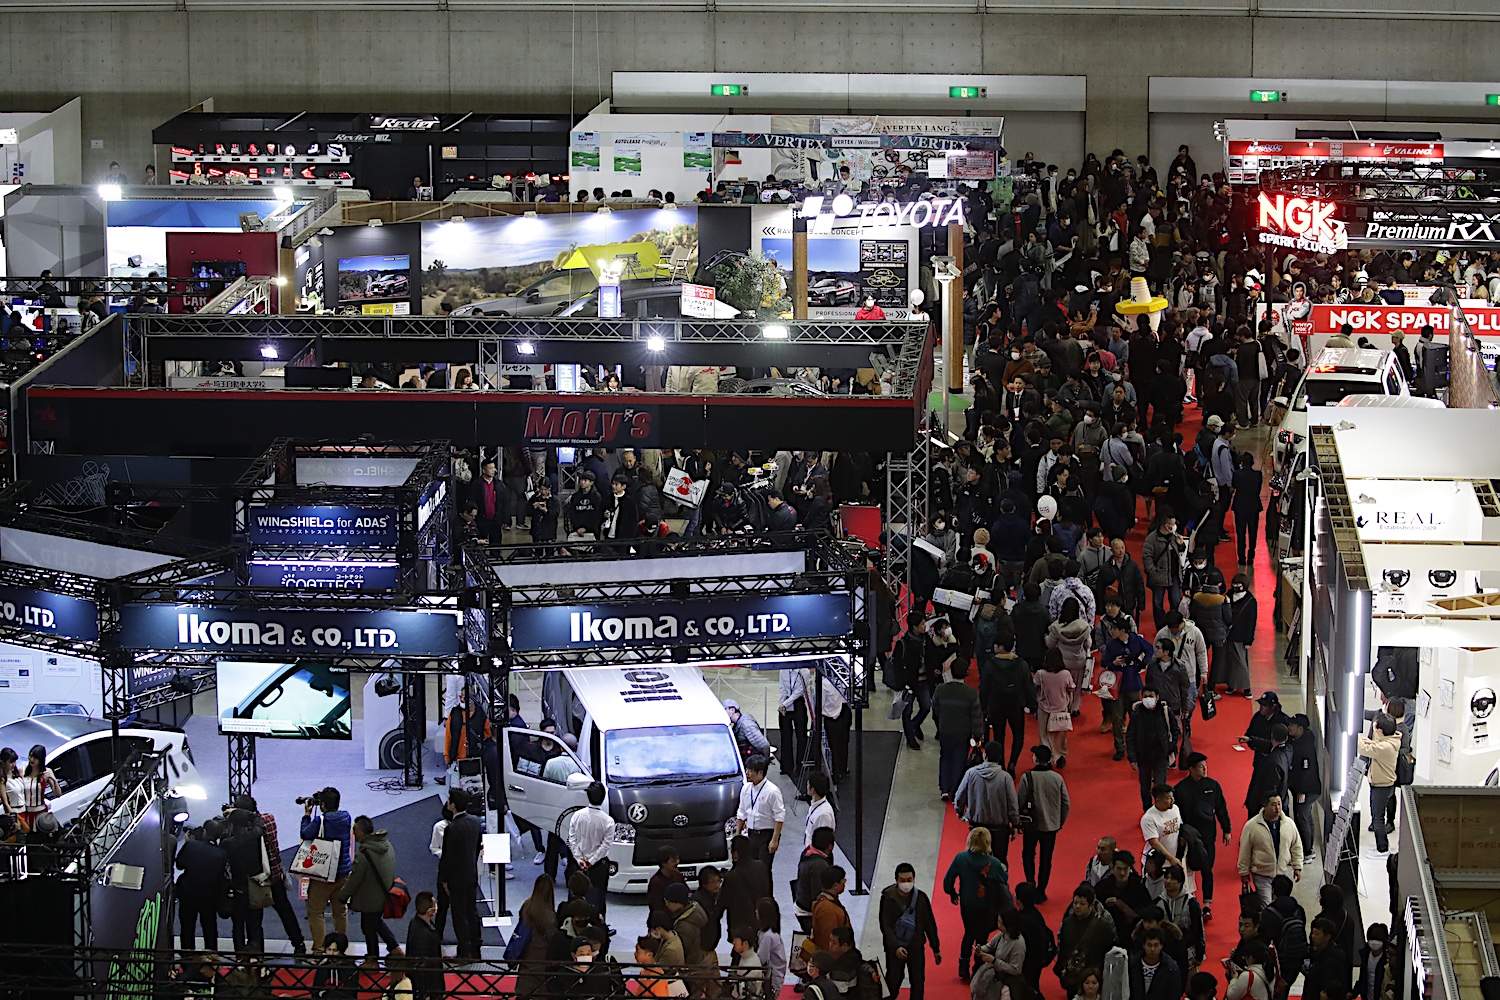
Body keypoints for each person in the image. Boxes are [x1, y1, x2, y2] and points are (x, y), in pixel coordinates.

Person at [234, 793, 306, 954]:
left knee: (254, 918)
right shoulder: (269, 820)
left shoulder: (246, 833)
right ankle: (299, 943)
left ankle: (257, 951)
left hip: (257, 880)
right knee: (285, 911)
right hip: (275, 875)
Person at [944, 826, 1007, 978]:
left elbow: (948, 880)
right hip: (986, 906)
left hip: (967, 903)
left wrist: (952, 892)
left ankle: (963, 965)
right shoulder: (994, 863)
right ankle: (977, 966)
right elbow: (1004, 880)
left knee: (969, 932)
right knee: (982, 936)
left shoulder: (961, 858)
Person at [337, 815, 402, 966]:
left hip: (370, 898)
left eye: (354, 830)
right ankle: (394, 948)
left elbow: (354, 881)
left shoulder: (364, 854)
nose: (353, 834)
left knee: (368, 928)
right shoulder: (385, 844)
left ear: (360, 832)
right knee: (375, 923)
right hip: (383, 893)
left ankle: (372, 959)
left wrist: (342, 896)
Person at [1174, 753, 1231, 920]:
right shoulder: (1180, 789)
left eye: (1205, 766)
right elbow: (1177, 815)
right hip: (1188, 837)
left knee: (1207, 869)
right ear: (1191, 769)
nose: (1205, 769)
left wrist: (1226, 829)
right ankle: (1187, 902)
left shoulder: (1213, 786)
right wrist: (1181, 835)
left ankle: (1206, 906)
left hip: (1208, 836)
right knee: (1186, 870)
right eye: (1201, 767)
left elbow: (1221, 809)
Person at [301, 786, 354, 952]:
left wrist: (307, 815)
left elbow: (305, 834)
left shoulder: (320, 821)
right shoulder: (346, 817)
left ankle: (319, 948)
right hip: (343, 873)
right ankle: (339, 948)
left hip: (323, 875)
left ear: (322, 805)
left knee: (316, 912)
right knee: (340, 911)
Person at [880, 863, 942, 1000]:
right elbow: (885, 925)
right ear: (896, 880)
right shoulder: (888, 897)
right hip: (894, 949)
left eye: (909, 880)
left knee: (918, 982)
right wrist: (896, 946)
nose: (906, 884)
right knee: (893, 980)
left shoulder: (921, 898)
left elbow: (929, 923)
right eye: (902, 880)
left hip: (916, 946)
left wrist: (935, 948)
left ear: (914, 879)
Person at [955, 740, 1021, 867]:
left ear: (985, 755)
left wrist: (959, 811)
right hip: (1000, 829)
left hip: (976, 827)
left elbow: (960, 796)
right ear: (1000, 757)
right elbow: (1012, 804)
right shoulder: (1005, 778)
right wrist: (1015, 824)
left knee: (975, 862)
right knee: (1000, 863)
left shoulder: (971, 773)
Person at [1018, 744, 1069, 899]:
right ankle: (1041, 890)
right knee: (1046, 858)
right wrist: (1059, 822)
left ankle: (1030, 884)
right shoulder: (1057, 778)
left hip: (1031, 824)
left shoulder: (1027, 777)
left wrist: (1018, 821)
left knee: (1028, 854)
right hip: (1051, 826)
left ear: (1036, 759)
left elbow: (1020, 801)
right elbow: (1065, 803)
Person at [439, 789, 483, 958]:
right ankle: (476, 948)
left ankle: (464, 952)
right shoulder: (475, 822)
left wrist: (444, 880)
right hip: (471, 873)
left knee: (459, 915)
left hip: (456, 878)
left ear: (453, 805)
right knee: (472, 912)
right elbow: (477, 847)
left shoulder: (452, 828)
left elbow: (447, 857)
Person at [933, 659, 984, 800]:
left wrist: (940, 723)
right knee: (959, 760)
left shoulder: (941, 689)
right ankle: (954, 789)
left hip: (945, 730)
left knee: (945, 757)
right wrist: (978, 735)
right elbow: (976, 717)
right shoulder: (971, 693)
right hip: (962, 733)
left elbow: (935, 709)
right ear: (966, 673)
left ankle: (944, 788)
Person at [1237, 793, 1303, 904]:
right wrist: (1244, 871)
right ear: (1265, 806)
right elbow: (1245, 850)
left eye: (1279, 804)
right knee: (1266, 907)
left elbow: (1296, 846)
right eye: (1273, 804)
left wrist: (1297, 866)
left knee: (1280, 905)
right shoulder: (1251, 826)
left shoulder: (1289, 824)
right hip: (1262, 874)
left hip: (1281, 874)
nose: (1277, 808)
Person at [1102, 619, 1153, 761]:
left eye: (1114, 629)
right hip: (1117, 686)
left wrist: (1142, 663)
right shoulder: (1111, 645)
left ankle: (1137, 745)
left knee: (1137, 716)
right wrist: (1114, 663)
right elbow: (1104, 661)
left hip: (1133, 683)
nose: (1112, 632)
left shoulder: (1136, 640)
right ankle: (1119, 747)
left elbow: (1149, 648)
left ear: (1122, 631)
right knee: (1117, 718)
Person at [175, 820, 228, 951]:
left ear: (204, 831)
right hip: (210, 896)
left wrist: (188, 843)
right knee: (210, 926)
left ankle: (187, 957)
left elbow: (179, 865)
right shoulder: (221, 854)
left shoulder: (191, 846)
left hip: (188, 893)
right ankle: (211, 955)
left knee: (187, 927)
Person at [1055, 885, 1117, 994]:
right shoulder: (1067, 923)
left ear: (1091, 905)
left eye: (1082, 904)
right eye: (1075, 903)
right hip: (1072, 977)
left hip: (1093, 980)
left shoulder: (1104, 927)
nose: (1077, 906)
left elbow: (1110, 953)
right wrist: (1062, 968)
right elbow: (1063, 949)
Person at [1127, 683, 1179, 812]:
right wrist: (1132, 758)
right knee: (1145, 788)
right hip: (1143, 757)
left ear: (1157, 697)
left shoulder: (1165, 711)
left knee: (1160, 787)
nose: (1148, 699)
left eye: (1151, 696)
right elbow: (1130, 736)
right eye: (1145, 696)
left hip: (1161, 756)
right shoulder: (1136, 714)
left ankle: (1160, 811)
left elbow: (1175, 730)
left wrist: (1171, 748)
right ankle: (1148, 811)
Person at [222, 808, 267, 952]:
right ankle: (257, 955)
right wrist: (242, 811)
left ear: (231, 825)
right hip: (255, 887)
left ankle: (240, 955)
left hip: (237, 888)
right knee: (255, 925)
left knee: (238, 926)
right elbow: (258, 819)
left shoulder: (227, 843)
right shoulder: (255, 836)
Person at [1257, 875, 1307, 1000]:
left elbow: (1264, 939)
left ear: (1273, 890)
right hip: (1297, 959)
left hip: (1278, 962)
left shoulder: (1269, 913)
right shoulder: (1299, 910)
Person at [568, 781, 614, 914]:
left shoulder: (576, 816)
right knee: (598, 899)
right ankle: (599, 923)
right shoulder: (608, 821)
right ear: (603, 797)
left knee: (575, 896)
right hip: (598, 866)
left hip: (578, 864)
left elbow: (572, 839)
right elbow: (605, 846)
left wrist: (579, 859)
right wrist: (591, 861)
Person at [1359, 716, 1400, 858]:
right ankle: (1381, 846)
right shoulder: (1391, 741)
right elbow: (1376, 744)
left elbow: (1364, 749)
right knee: (1378, 816)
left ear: (1381, 730)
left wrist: (1356, 736)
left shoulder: (1384, 747)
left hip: (1381, 786)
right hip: (1385, 784)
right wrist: (1371, 741)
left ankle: (1382, 849)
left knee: (1377, 818)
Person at [1046, 598, 1094, 719]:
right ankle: (1075, 708)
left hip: (1062, 662)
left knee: (1063, 687)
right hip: (1079, 662)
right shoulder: (1084, 627)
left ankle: (1064, 706)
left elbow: (1050, 644)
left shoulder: (1056, 627)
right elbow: (1088, 644)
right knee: (1077, 687)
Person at [1285, 716, 1321, 862]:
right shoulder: (1298, 741)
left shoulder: (1305, 747)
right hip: (1303, 789)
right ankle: (1308, 848)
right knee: (1307, 818)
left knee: (1302, 819)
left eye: (1292, 725)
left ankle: (1306, 851)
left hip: (1307, 790)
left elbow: (1306, 772)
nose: (1289, 727)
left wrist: (1302, 791)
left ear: (1300, 728)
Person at [515, 875, 559, 997]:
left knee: (524, 986)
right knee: (539, 989)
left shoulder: (527, 905)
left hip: (526, 952)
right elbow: (553, 938)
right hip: (542, 957)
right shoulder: (549, 915)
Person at [1096, 849, 1152, 943]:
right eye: (1119, 869)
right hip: (1107, 932)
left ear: (1130, 869)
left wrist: (1122, 906)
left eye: (1125, 869)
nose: (1122, 873)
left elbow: (1147, 910)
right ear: (1112, 868)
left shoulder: (1138, 886)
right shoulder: (1103, 887)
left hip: (1132, 934)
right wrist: (1104, 906)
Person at [1142, 516, 1185, 633]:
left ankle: (1174, 624)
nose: (1175, 525)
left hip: (1174, 575)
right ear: (1167, 525)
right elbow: (1147, 557)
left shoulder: (1175, 536)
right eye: (1173, 523)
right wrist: (1153, 573)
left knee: (1176, 601)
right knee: (1158, 604)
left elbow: (1181, 552)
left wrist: (1181, 545)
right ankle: (1160, 628)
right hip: (1159, 577)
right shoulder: (1151, 539)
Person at [1035, 649, 1078, 765]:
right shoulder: (1065, 674)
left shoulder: (1040, 674)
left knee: (1043, 734)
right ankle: (1059, 756)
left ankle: (1046, 758)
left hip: (1044, 708)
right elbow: (1071, 688)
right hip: (1061, 707)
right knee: (1060, 735)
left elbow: (1036, 686)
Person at [721, 835, 772, 932]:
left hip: (741, 930)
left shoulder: (731, 876)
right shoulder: (762, 867)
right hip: (762, 924)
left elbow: (722, 903)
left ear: (735, 853)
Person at [1159, 866, 1204, 974]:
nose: (1168, 881)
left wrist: (1199, 954)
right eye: (1166, 878)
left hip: (1187, 950)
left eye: (1172, 879)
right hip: (1165, 950)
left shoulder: (1191, 903)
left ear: (1180, 882)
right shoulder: (1159, 901)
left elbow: (1198, 930)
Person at [1244, 724, 1292, 822]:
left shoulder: (1272, 762)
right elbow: (1269, 745)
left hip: (1265, 807)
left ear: (1272, 736)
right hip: (1282, 798)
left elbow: (1270, 788)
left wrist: (1263, 807)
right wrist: (1251, 740)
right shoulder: (1288, 750)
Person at [1220, 575, 1256, 697]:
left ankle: (1246, 687)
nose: (1235, 586)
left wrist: (1249, 640)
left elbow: (1251, 622)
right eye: (1234, 584)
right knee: (1230, 662)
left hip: (1241, 635)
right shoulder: (1228, 596)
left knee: (1241, 662)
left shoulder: (1250, 601)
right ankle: (1231, 684)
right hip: (1228, 634)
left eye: (1238, 584)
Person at [794, 826, 836, 927]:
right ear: (830, 846)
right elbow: (817, 896)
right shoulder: (819, 866)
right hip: (807, 912)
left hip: (801, 902)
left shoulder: (807, 852)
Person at [406, 891, 443, 1000]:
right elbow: (421, 966)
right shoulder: (423, 934)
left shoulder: (417, 922)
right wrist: (425, 993)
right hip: (429, 985)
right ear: (430, 911)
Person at [1304, 918, 1352, 1000]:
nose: (1313, 936)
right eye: (1312, 933)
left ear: (1327, 937)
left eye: (1317, 934)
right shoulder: (1318, 952)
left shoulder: (1334, 957)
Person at [1130, 927, 1184, 1000]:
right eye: (1149, 945)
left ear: (1161, 946)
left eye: (1156, 945)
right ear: (1144, 945)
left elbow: (1174, 995)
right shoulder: (1132, 965)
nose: (1152, 949)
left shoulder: (1171, 968)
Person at [1141, 785, 1185, 871]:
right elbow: (1154, 843)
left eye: (1172, 797)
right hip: (1155, 865)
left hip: (1173, 861)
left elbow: (1179, 827)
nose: (1173, 800)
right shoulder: (1149, 818)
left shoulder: (1175, 809)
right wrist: (1170, 858)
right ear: (1158, 799)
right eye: (1168, 798)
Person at [17, 744, 60, 831]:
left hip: (40, 813)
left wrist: (54, 780)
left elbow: (58, 794)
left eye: (35, 758)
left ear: (40, 759)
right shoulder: (22, 771)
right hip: (25, 813)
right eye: (30, 756)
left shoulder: (46, 772)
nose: (32, 759)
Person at [811, 865, 852, 951]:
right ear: (836, 885)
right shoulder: (827, 909)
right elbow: (829, 941)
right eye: (843, 881)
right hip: (836, 956)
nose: (844, 883)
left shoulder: (827, 901)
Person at [757, 898, 788, 999]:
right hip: (775, 976)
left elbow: (761, 959)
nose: (755, 912)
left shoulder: (768, 936)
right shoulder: (767, 933)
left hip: (773, 979)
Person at [727, 925, 766, 1000]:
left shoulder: (749, 965)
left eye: (736, 939)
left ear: (745, 943)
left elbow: (744, 995)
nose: (733, 942)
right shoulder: (747, 956)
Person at [1355, 923, 1393, 1000]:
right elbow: (1362, 979)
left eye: (1378, 939)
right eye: (1372, 939)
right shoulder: (1365, 956)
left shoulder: (1387, 959)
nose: (1374, 942)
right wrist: (1353, 992)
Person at [647, 845, 687, 915]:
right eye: (673, 861)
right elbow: (656, 907)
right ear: (664, 863)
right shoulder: (656, 882)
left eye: (677, 859)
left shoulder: (678, 875)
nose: (677, 862)